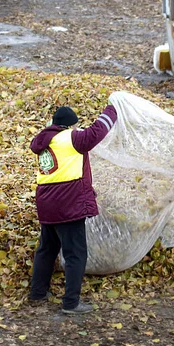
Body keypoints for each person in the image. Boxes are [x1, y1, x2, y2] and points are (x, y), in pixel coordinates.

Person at [28, 103, 117, 314]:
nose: (77, 128)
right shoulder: (71, 138)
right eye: (75, 125)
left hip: (47, 202)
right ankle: (71, 303)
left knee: (47, 249)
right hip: (68, 203)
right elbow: (97, 132)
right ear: (70, 125)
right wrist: (113, 109)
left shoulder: (44, 140)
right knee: (76, 254)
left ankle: (38, 293)